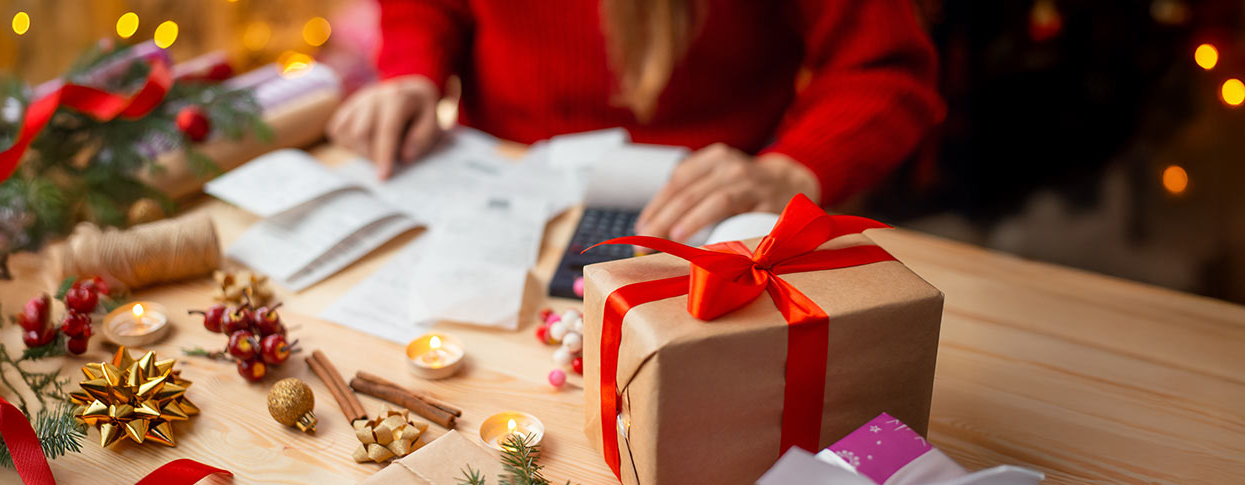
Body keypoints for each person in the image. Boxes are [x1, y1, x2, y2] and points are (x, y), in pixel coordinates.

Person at [327, 0, 944, 242]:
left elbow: (885, 70)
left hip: (697, 215)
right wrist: (411, 71)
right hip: (499, 195)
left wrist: (793, 168)